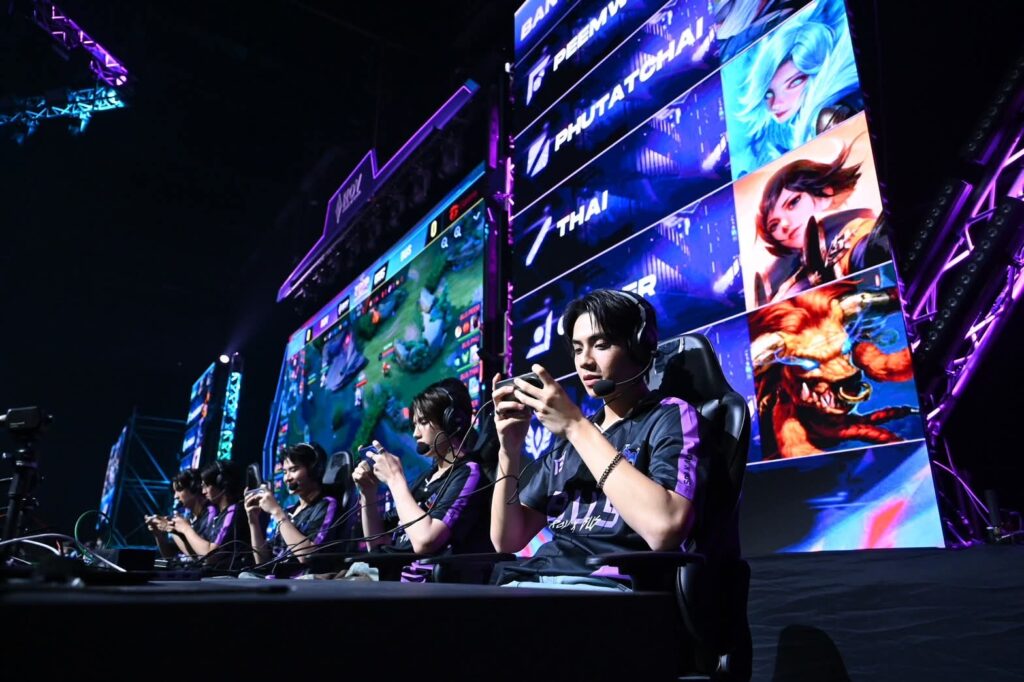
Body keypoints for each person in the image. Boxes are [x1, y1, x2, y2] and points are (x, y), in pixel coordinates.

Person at [490, 289, 707, 589]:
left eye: (601, 345)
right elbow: (507, 539)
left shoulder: (668, 416)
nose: (585, 362)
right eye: (578, 349)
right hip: (537, 581)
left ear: (639, 347)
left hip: (604, 588)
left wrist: (575, 427)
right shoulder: (576, 435)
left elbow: (665, 528)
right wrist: (509, 450)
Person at [351, 378, 490, 581]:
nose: (415, 433)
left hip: (424, 589)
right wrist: (368, 493)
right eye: (414, 424)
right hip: (390, 582)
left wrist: (395, 478)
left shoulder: (468, 473)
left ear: (452, 422)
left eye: (423, 422)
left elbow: (426, 540)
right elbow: (377, 544)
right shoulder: (425, 479)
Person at [729, 0, 862, 175]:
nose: (775, 104)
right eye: (769, 94)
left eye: (794, 83)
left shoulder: (825, 118)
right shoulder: (767, 143)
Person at [751, 143, 889, 305]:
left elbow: (865, 253)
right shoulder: (776, 280)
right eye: (774, 225)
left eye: (793, 202)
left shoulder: (854, 234)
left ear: (824, 194)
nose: (785, 224)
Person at [245, 443, 341, 575]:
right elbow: (262, 561)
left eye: (293, 470)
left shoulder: (327, 505)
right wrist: (253, 521)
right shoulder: (290, 511)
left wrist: (277, 512)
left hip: (303, 582)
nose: (287, 478)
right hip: (276, 579)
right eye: (285, 472)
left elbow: (307, 556)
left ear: (314, 470)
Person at [171, 460, 250, 570]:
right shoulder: (221, 514)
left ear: (222, 484)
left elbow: (209, 556)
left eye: (206, 486)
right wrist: (174, 530)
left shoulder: (233, 511)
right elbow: (197, 555)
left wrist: (185, 528)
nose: (203, 491)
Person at [146, 468, 216, 560]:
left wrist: (174, 530)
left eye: (179, 490)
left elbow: (198, 557)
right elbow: (169, 556)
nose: (175, 496)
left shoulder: (212, 513)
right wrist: (158, 535)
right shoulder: (188, 516)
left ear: (194, 488)